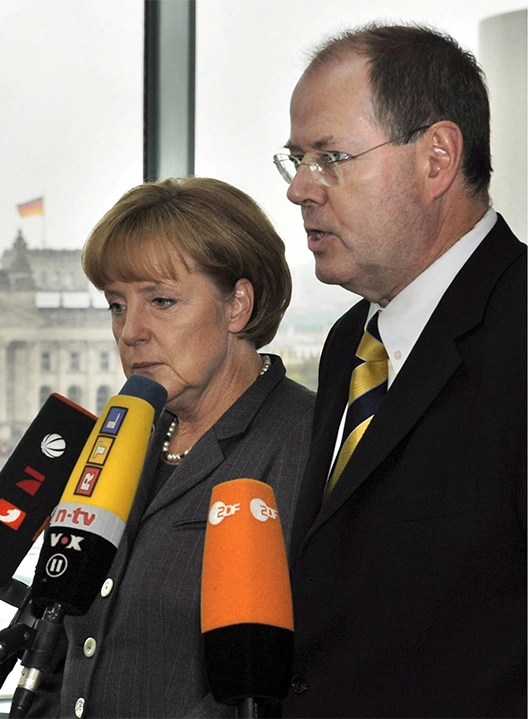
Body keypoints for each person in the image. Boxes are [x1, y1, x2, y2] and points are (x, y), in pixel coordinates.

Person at [274, 23, 526, 717]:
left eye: (329, 156)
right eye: (295, 158)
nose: (298, 188)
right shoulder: (348, 346)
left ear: (436, 158)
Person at [27, 176, 314, 718]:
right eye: (116, 305)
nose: (130, 331)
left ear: (238, 306)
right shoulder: (116, 441)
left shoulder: (310, 443)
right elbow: (57, 644)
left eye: (161, 301)